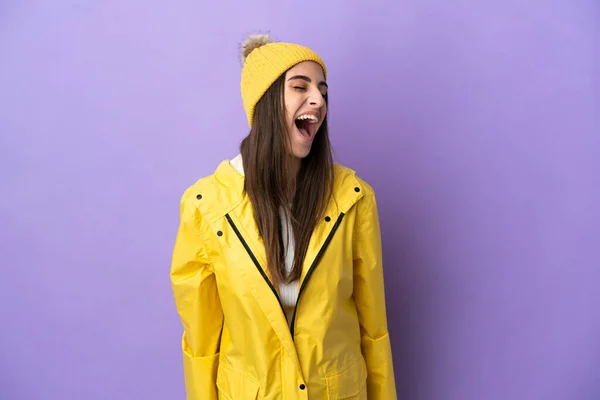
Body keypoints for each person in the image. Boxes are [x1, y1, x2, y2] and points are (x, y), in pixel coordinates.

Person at [170, 33, 397, 400]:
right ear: (265, 101)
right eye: (300, 86)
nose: (318, 100)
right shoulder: (204, 206)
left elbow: (374, 331)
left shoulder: (353, 199)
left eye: (323, 90)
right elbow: (201, 342)